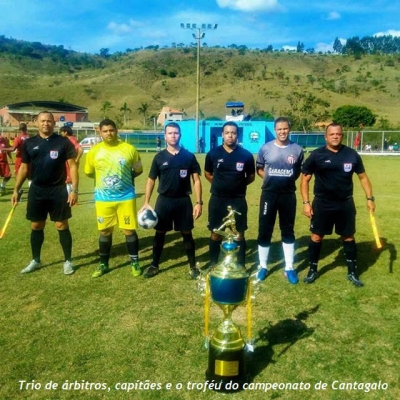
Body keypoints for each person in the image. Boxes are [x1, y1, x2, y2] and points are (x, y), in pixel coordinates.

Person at [301, 123, 375, 287]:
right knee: (316, 236)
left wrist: (370, 198)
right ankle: (312, 269)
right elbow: (305, 179)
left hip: (345, 203)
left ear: (342, 135)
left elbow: (363, 178)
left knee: (348, 236)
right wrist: (306, 203)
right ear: (326, 137)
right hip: (322, 203)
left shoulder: (351, 154)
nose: (335, 136)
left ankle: (352, 272)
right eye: (332, 134)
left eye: (338, 134)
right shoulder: (316, 155)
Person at [12, 111, 79, 275]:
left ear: (54, 123)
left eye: (49, 121)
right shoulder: (29, 143)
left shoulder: (63, 142)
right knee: (36, 225)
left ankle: (68, 261)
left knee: (61, 225)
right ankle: (36, 259)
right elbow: (24, 168)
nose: (46, 123)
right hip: (37, 190)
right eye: (42, 121)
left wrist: (74, 190)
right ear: (36, 123)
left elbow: (73, 166)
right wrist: (16, 189)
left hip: (58, 190)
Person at [139, 122, 202, 279]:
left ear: (180, 135)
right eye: (170, 133)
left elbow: (196, 180)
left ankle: (193, 267)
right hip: (164, 201)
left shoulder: (189, 157)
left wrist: (198, 202)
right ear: (165, 136)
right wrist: (146, 202)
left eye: (176, 133)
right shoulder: (159, 157)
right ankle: (154, 265)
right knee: (160, 233)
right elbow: (151, 180)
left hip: (183, 201)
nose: (173, 135)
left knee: (187, 233)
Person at [84, 119, 143, 278]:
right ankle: (103, 264)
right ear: (100, 132)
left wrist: (125, 180)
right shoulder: (94, 152)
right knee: (104, 231)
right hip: (104, 199)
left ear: (116, 130)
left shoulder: (129, 149)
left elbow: (138, 169)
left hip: (126, 197)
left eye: (111, 130)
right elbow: (89, 172)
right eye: (105, 131)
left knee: (129, 230)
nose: (109, 133)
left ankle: (134, 262)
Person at [256, 117, 304, 284]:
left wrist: (286, 179)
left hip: (288, 195)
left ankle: (289, 267)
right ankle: (263, 266)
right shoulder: (266, 148)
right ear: (275, 130)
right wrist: (271, 177)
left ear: (289, 129)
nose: (282, 132)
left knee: (288, 230)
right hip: (269, 194)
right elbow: (260, 169)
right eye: (279, 129)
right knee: (265, 230)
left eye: (285, 129)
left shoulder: (297, 149)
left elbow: (297, 171)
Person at [204, 121, 255, 268]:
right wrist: (220, 185)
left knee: (239, 234)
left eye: (233, 132)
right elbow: (208, 174)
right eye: (227, 133)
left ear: (237, 135)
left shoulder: (245, 155)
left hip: (238, 200)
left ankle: (241, 265)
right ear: (222, 135)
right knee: (215, 233)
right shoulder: (213, 154)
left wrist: (237, 185)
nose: (230, 135)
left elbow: (251, 176)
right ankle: (213, 264)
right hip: (217, 200)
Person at [59, 126, 83, 194]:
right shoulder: (69, 139)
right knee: (68, 180)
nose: (61, 134)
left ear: (66, 132)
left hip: (70, 164)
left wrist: (76, 160)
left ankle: (72, 196)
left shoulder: (71, 140)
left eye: (62, 132)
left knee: (70, 179)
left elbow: (81, 149)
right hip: (68, 163)